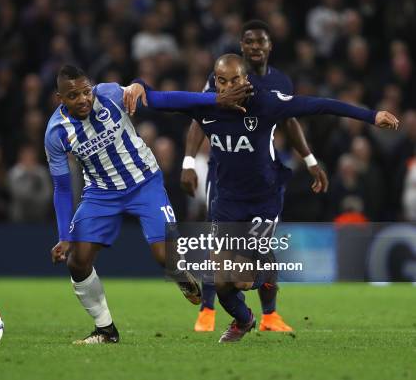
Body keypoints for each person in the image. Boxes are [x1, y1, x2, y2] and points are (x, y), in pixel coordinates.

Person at [126, 53, 398, 342]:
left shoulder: (266, 102)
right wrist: (139, 84)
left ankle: (266, 269)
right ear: (215, 82)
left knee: (241, 279)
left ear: (246, 80)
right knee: (220, 282)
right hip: (228, 202)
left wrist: (371, 116)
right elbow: (156, 98)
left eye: (236, 80)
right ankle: (244, 320)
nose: (230, 86)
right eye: (223, 81)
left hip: (262, 200)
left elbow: (319, 105)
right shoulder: (204, 105)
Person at [45, 64, 252, 344]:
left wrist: (215, 99)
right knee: (77, 261)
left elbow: (163, 100)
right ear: (60, 99)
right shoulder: (56, 133)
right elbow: (61, 187)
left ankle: (180, 274)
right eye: (73, 96)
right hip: (101, 193)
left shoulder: (110, 95)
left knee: (165, 257)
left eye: (86, 92)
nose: (82, 99)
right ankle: (106, 331)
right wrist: (64, 236)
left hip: (144, 182)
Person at [181, 20, 329, 333]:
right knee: (217, 244)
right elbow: (200, 118)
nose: (255, 47)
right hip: (224, 174)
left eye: (260, 42)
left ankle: (269, 314)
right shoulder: (219, 77)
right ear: (242, 46)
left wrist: (310, 159)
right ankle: (208, 310)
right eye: (249, 42)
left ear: (269, 46)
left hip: (261, 176)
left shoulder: (281, 81)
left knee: (257, 249)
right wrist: (189, 161)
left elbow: (290, 122)